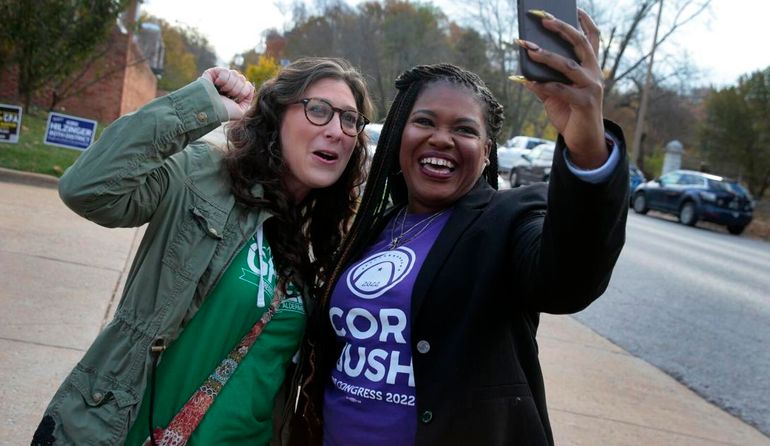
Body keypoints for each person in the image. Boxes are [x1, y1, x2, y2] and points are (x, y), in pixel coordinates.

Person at [301, 10, 628, 446]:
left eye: (464, 130)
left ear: (487, 152)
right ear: (399, 134)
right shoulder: (372, 230)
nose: (441, 139)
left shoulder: (506, 221)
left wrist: (585, 140)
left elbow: (568, 279)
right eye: (425, 121)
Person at [31, 57, 373, 446]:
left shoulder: (326, 244)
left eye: (350, 120)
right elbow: (89, 188)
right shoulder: (205, 177)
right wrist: (202, 103)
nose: (336, 130)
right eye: (318, 110)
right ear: (277, 115)